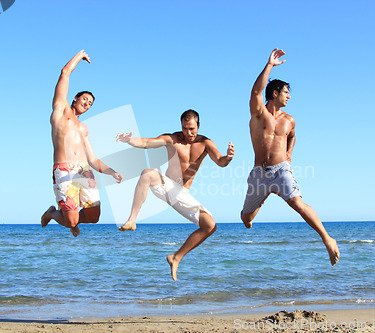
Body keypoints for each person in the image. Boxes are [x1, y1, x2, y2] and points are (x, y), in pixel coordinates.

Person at [241, 48, 340, 266]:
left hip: (281, 170)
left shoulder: (290, 119)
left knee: (297, 202)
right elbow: (256, 93)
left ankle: (327, 239)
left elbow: (292, 136)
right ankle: (263, 197)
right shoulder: (259, 114)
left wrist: (289, 153)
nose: (289, 96)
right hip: (259, 173)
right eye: (286, 92)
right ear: (275, 93)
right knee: (246, 219)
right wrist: (269, 65)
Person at [116, 110, 235, 280]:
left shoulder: (205, 143)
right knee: (147, 173)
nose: (189, 133)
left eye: (192, 128)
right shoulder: (172, 139)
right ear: (181, 127)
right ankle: (132, 220)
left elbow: (220, 161)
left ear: (198, 126)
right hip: (167, 185)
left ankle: (175, 257)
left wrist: (228, 157)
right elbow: (146, 142)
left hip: (182, 193)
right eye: (185, 128)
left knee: (210, 226)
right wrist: (129, 140)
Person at [41, 50, 123, 237]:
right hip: (64, 169)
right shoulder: (60, 110)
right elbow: (64, 73)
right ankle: (53, 213)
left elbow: (93, 159)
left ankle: (73, 218)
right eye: (85, 99)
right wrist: (80, 55)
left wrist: (112, 172)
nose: (87, 103)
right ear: (75, 98)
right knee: (71, 221)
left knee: (94, 217)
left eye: (91, 103)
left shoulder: (84, 128)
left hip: (84, 170)